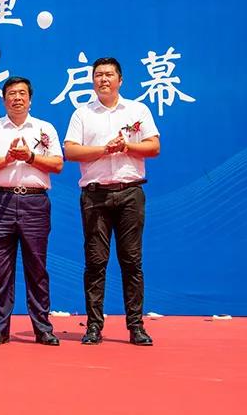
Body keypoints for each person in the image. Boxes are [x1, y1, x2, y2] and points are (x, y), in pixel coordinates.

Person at [64, 57, 160, 346]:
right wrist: (104, 150)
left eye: (108, 74)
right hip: (95, 195)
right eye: (98, 75)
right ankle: (94, 326)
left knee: (132, 261)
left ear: (120, 80)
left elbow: (154, 146)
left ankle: (136, 326)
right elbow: (71, 151)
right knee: (95, 262)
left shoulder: (137, 110)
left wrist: (126, 146)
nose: (103, 79)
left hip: (130, 193)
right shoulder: (82, 114)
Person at [0, 76, 63, 346]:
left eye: (22, 93)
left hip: (35, 202)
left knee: (37, 267)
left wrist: (30, 157)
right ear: (4, 100)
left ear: (30, 99)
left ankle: (43, 328)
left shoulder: (45, 128)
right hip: (1, 201)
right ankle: (1, 327)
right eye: (12, 94)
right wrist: (7, 159)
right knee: (1, 268)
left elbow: (57, 164)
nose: (17, 98)